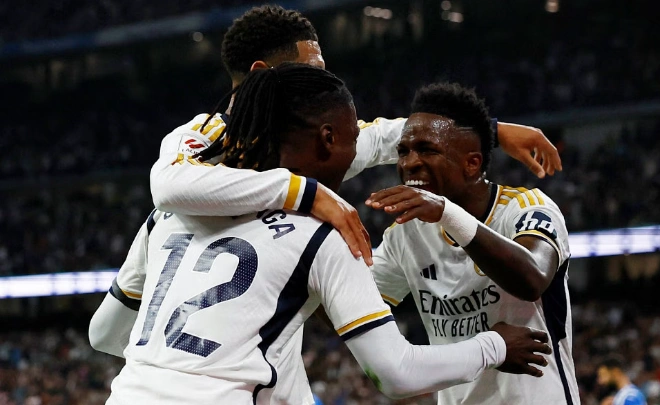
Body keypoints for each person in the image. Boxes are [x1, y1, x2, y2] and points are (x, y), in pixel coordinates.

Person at [90, 64, 551, 405]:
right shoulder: (324, 232)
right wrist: (494, 345)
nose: (364, 150)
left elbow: (105, 333)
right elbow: (397, 375)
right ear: (329, 140)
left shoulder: (166, 216)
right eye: (355, 137)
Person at [149, 5, 564, 268]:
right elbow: (167, 186)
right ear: (261, 74)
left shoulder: (313, 141)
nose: (326, 80)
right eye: (312, 69)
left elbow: (385, 137)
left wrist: (491, 130)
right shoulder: (205, 135)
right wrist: (310, 195)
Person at [364, 83, 580, 404]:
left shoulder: (527, 207)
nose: (409, 162)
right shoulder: (405, 234)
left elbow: (532, 279)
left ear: (472, 164)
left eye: (427, 150)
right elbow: (351, 307)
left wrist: (448, 213)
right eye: (404, 151)